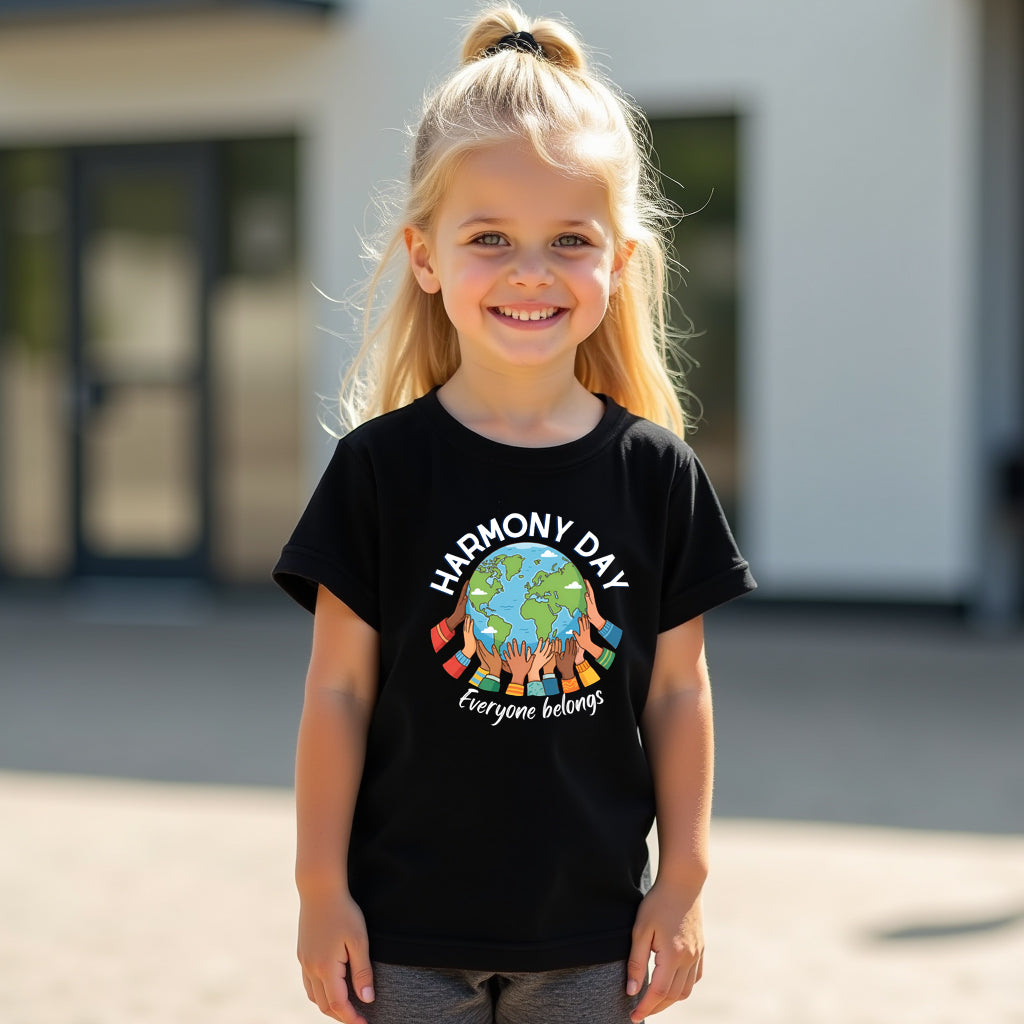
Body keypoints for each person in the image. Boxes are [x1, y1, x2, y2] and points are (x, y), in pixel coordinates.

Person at [272, 6, 756, 1023]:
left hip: (591, 934)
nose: (530, 270)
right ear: (425, 254)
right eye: (489, 236)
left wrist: (683, 884)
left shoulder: (656, 474)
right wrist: (321, 890)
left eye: (568, 240)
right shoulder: (377, 472)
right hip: (403, 932)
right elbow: (337, 698)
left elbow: (678, 695)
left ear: (617, 262)